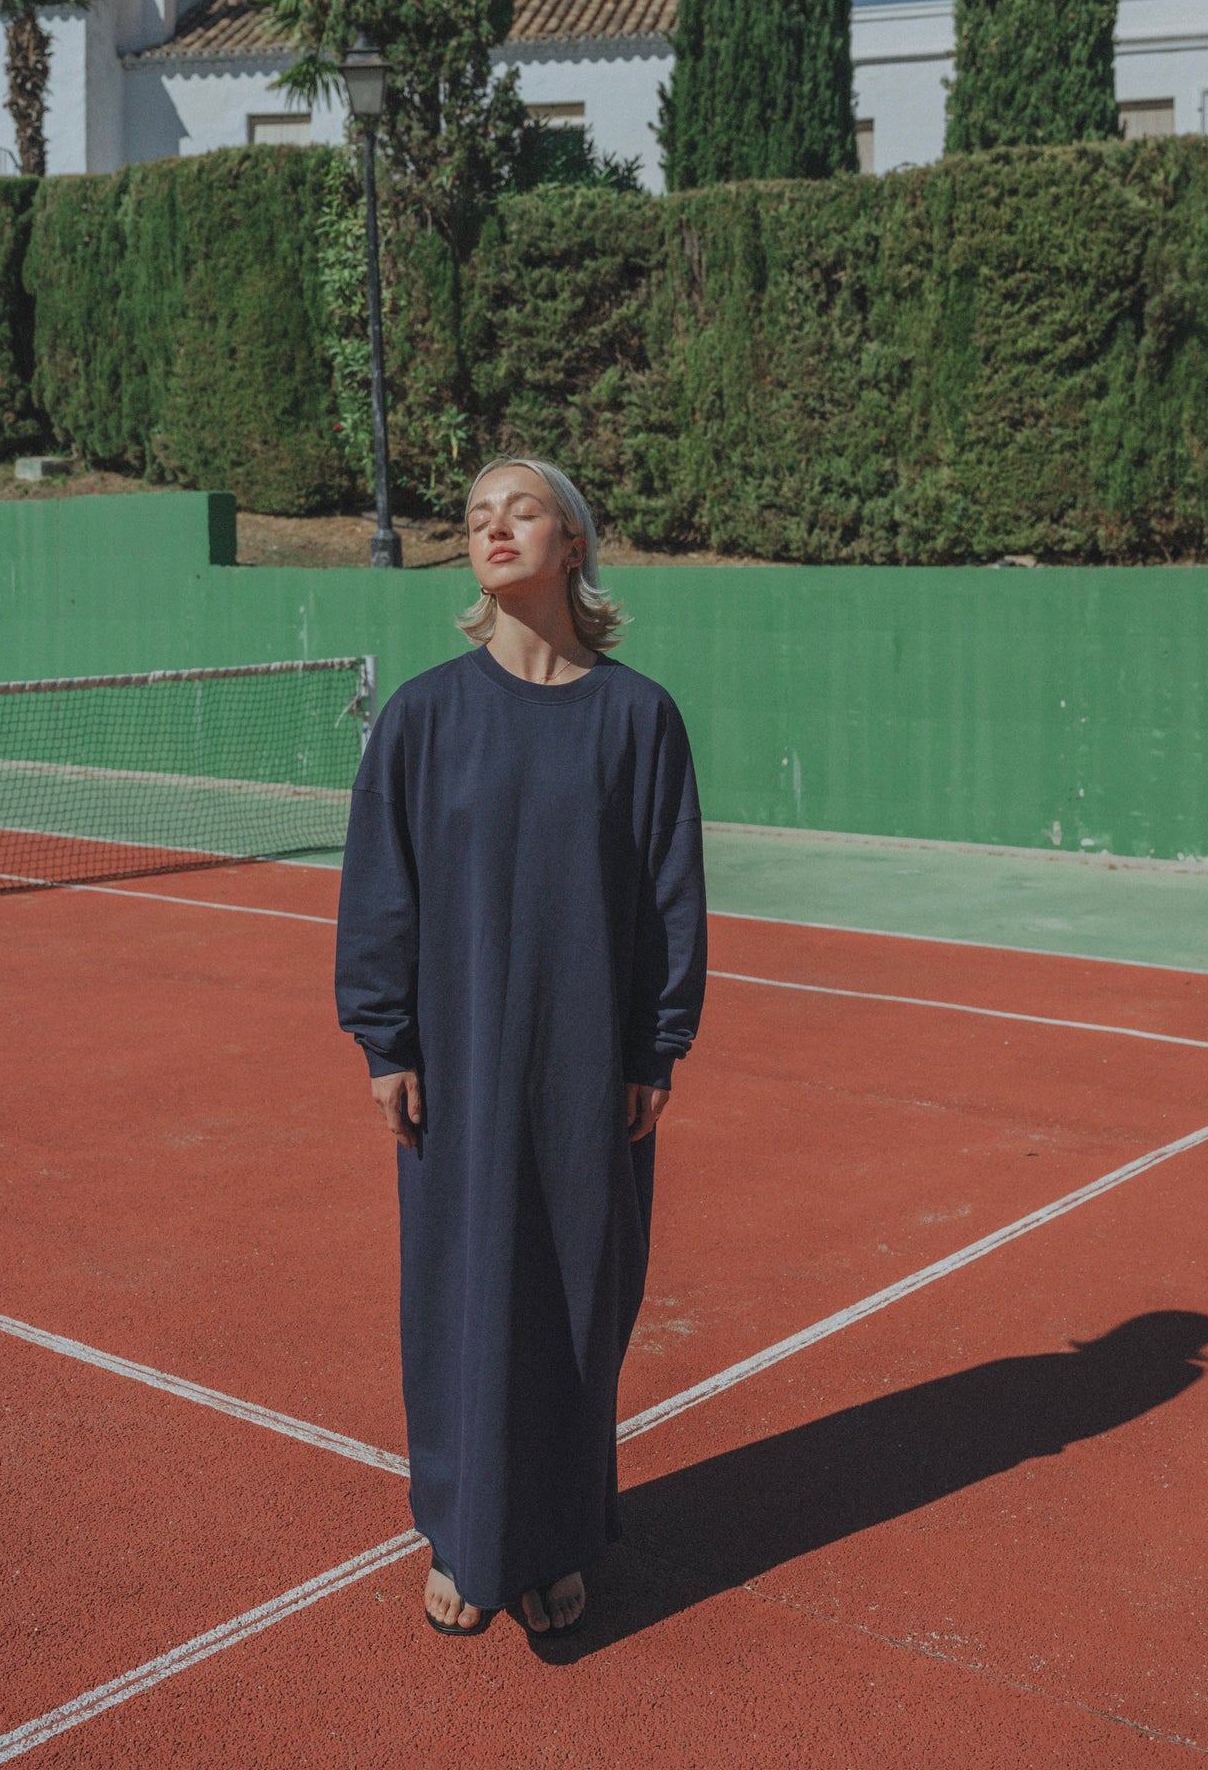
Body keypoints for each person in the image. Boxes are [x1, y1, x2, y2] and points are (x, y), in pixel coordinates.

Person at [333, 456, 707, 1638]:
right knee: (460, 1299)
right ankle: (460, 1535)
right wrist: (383, 1038)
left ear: (574, 543)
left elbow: (668, 899)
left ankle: (553, 1534)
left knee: (573, 1303)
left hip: (588, 1074)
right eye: (476, 517)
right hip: (458, 1069)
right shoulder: (424, 716)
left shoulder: (636, 717)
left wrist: (656, 1045)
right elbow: (378, 890)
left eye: (521, 509)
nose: (493, 528)